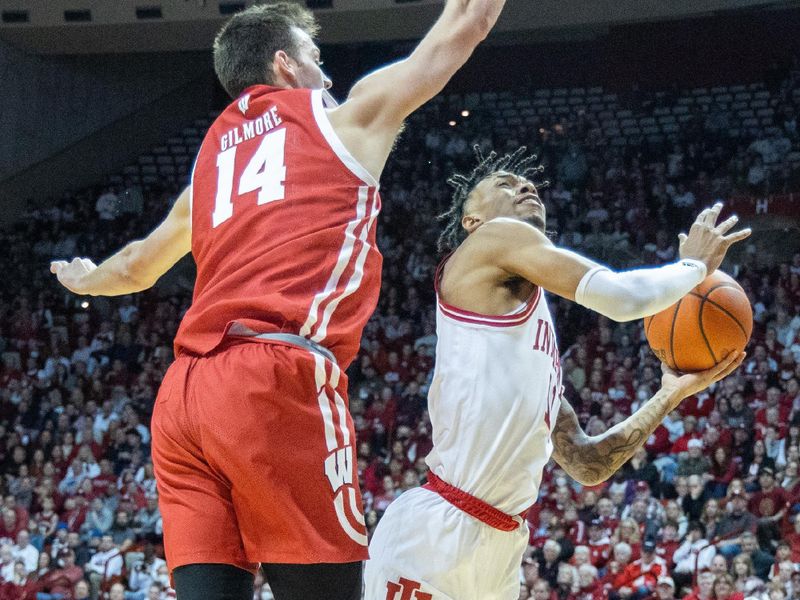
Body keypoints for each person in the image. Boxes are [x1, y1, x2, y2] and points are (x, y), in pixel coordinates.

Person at [50, 2, 508, 599]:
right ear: (286, 64)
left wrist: (87, 279)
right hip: (273, 377)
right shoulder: (341, 122)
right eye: (317, 60)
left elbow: (136, 266)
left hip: (184, 396)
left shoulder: (209, 165)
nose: (328, 76)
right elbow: (462, 27)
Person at [364, 148, 748, 598]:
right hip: (437, 530)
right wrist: (694, 266)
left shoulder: (535, 346)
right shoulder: (491, 238)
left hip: (501, 546)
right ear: (472, 222)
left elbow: (587, 463)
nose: (525, 187)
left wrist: (670, 394)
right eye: (504, 186)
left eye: (527, 184)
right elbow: (619, 297)